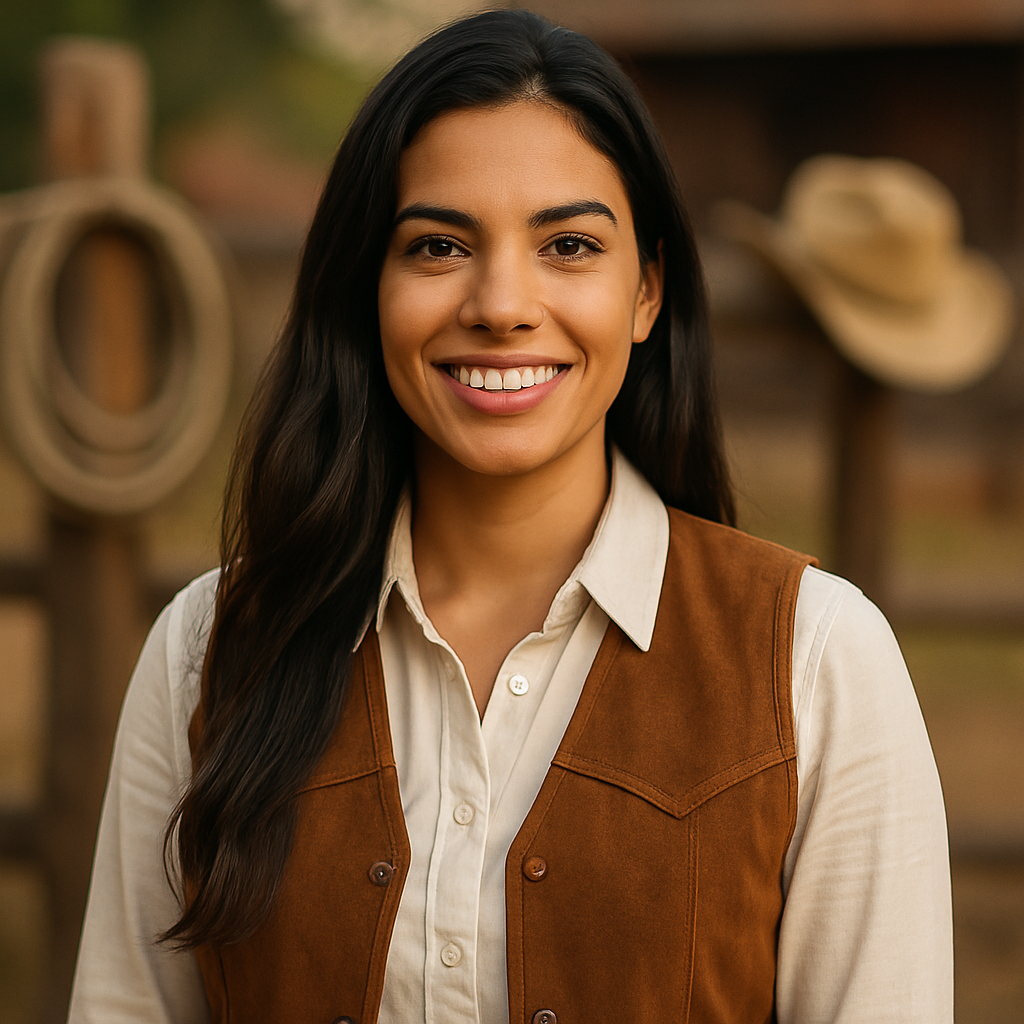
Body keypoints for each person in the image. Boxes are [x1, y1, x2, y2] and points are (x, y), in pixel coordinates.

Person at [67, 9, 952, 1024]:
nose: (501, 303)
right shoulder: (207, 649)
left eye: (568, 245)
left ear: (646, 292)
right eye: (439, 244)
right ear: (369, 285)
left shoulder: (817, 658)